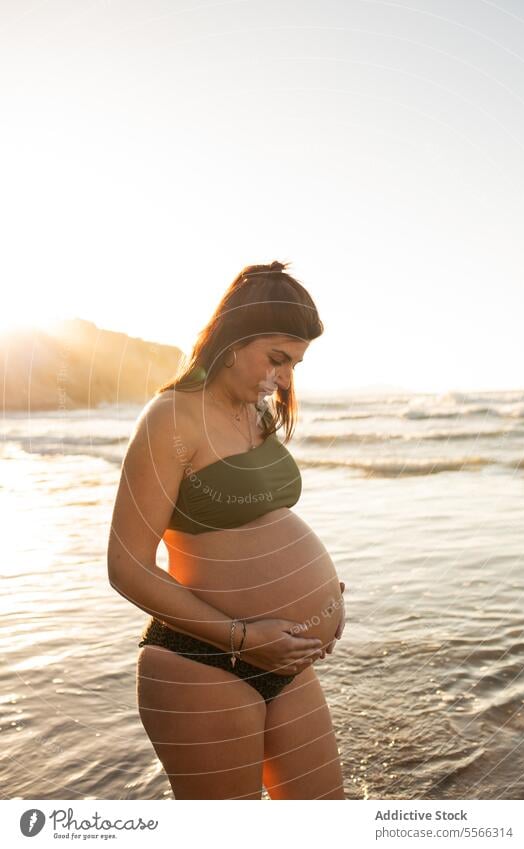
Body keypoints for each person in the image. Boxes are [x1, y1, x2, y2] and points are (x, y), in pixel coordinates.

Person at [107, 260, 346, 799]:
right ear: (235, 339)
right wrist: (243, 638)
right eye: (277, 358)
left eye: (295, 365)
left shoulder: (256, 414)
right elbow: (125, 567)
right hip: (202, 663)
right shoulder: (170, 418)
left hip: (283, 661)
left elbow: (264, 526)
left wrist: (323, 601)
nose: (283, 378)